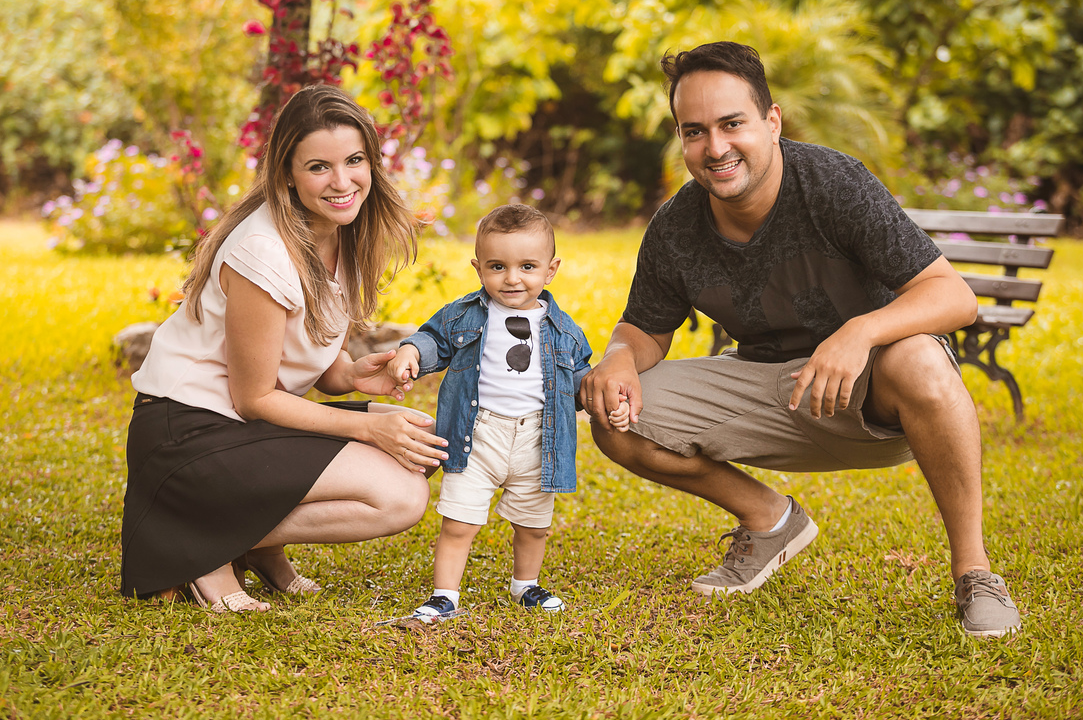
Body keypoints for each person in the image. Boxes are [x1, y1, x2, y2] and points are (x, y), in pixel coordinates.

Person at [580, 42, 1021, 638]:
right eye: (694, 131)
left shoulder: (833, 183)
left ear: (772, 121)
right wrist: (617, 358)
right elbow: (646, 328)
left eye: (732, 124)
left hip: (878, 394)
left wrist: (859, 332)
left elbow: (954, 297)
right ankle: (771, 521)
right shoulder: (677, 224)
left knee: (918, 357)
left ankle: (975, 572)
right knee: (615, 413)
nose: (715, 148)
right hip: (772, 389)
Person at [121, 85, 448, 613]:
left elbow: (311, 363)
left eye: (355, 160)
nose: (342, 182)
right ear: (286, 175)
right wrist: (366, 426)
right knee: (400, 495)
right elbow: (253, 397)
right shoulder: (263, 252)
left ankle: (252, 539)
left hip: (244, 429)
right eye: (319, 166)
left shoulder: (342, 232)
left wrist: (351, 375)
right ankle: (202, 536)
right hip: (187, 433)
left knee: (419, 438)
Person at [385, 205, 603, 619]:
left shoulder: (564, 329)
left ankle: (526, 586)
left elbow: (579, 377)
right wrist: (411, 351)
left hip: (539, 440)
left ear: (551, 270)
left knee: (533, 525)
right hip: (477, 435)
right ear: (478, 267)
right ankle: (444, 595)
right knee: (459, 522)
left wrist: (599, 397)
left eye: (527, 266)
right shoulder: (466, 314)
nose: (513, 278)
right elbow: (434, 338)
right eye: (498, 266)